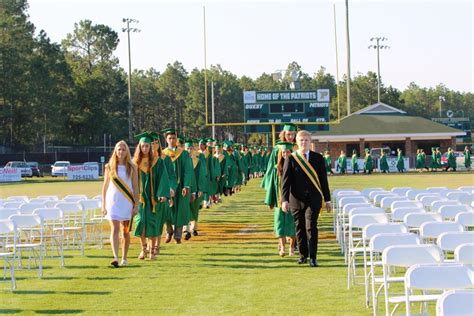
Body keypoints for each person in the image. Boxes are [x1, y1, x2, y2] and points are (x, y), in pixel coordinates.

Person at [281, 130, 331, 267]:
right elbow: (285, 182)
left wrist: (328, 200)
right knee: (300, 228)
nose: (304, 143)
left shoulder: (318, 158)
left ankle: (313, 257)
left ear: (310, 142)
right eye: (301, 140)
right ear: (296, 142)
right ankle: (303, 255)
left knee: (311, 227)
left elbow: (323, 181)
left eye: (306, 140)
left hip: (313, 200)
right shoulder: (291, 158)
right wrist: (284, 200)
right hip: (296, 200)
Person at [132, 132, 170, 260]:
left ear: (150, 147)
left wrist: (162, 194)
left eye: (147, 146)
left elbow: (163, 178)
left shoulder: (157, 162)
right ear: (139, 147)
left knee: (153, 224)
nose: (145, 148)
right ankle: (143, 249)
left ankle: (152, 251)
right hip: (141, 199)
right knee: (141, 223)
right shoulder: (135, 163)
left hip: (154, 200)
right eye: (143, 146)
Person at [101, 140, 139, 267]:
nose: (121, 152)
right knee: (114, 229)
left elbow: (135, 187)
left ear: (127, 151)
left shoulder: (132, 167)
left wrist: (136, 204)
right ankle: (115, 257)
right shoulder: (109, 167)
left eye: (123, 149)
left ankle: (124, 257)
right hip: (113, 202)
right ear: (115, 151)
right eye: (118, 149)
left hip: (126, 202)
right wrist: (103, 204)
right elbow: (105, 187)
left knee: (125, 232)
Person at [264, 142, 296, 257]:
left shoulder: (296, 166)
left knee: (292, 225)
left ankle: (292, 248)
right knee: (279, 225)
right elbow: (272, 186)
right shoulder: (276, 169)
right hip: (279, 201)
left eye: (288, 152)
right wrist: (270, 200)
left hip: (292, 200)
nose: (285, 154)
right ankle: (282, 247)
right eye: (283, 152)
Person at [162, 128, 194, 244]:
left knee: (180, 209)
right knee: (167, 209)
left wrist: (186, 185)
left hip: (180, 187)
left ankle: (178, 235)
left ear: (177, 139)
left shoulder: (183, 154)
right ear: (166, 139)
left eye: (174, 138)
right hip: (167, 186)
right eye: (169, 138)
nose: (172, 140)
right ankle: (169, 230)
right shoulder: (163, 154)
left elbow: (187, 171)